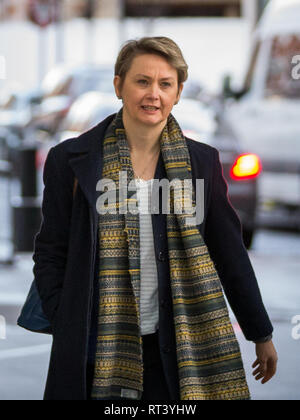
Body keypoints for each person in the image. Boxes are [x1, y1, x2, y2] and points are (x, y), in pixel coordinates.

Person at [33, 37, 278, 401]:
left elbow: (230, 254)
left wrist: (261, 333)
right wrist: (67, 317)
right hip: (97, 346)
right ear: (119, 85)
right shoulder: (71, 160)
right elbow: (51, 251)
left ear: (178, 92)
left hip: (179, 346)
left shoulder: (202, 163)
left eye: (165, 84)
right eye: (142, 81)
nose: (154, 94)